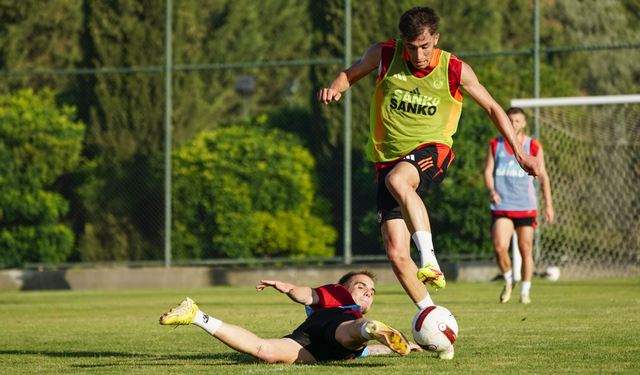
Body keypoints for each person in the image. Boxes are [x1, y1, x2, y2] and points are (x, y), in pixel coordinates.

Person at [317, 7, 540, 314]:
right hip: (387, 158)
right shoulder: (384, 54)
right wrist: (334, 89)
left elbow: (491, 107)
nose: (418, 54)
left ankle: (430, 260)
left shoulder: (454, 69)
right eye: (411, 47)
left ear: (436, 38)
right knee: (396, 253)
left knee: (399, 180)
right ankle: (432, 317)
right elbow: (349, 74)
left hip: (433, 150)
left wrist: (519, 152)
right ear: (402, 41)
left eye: (425, 46)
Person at [158, 270, 423, 363]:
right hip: (336, 328)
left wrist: (403, 345)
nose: (367, 293)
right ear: (345, 287)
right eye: (361, 286)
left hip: (314, 343)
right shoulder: (339, 294)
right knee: (353, 330)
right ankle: (370, 328)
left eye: (372, 292)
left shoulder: (353, 321)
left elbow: (368, 351)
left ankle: (196, 315)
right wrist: (290, 289)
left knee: (266, 351)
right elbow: (309, 295)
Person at [483, 107, 554, 304]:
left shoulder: (533, 146)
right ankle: (508, 280)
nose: (513, 124)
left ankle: (525, 292)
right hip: (502, 205)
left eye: (517, 121)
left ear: (523, 123)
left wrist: (548, 205)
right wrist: (492, 191)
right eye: (510, 120)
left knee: (525, 249)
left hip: (525, 205)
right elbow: (488, 171)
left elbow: (543, 177)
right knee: (499, 248)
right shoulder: (495, 144)